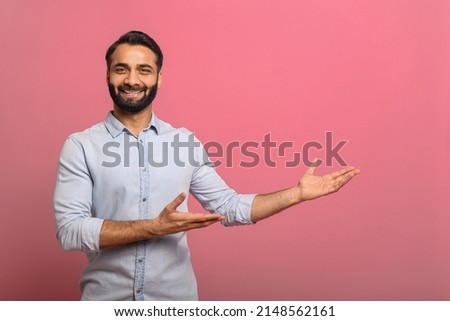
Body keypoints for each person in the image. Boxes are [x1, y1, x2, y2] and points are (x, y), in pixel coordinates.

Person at [53, 30, 360, 301]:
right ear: (108, 75)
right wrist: (154, 228)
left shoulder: (184, 143)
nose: (132, 80)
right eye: (122, 69)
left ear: (158, 78)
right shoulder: (81, 146)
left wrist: (296, 194)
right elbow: (70, 230)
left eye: (144, 70)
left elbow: (229, 206)